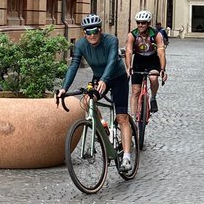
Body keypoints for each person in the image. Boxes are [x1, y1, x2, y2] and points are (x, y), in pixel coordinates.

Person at [56, 14, 133, 171]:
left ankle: (126, 158)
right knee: (86, 102)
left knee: (122, 117)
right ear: (84, 33)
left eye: (95, 31)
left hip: (117, 77)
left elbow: (112, 60)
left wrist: (105, 79)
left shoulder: (111, 40)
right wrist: (64, 87)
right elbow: (74, 65)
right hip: (100, 77)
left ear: (100, 30)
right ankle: (105, 130)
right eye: (88, 32)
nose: (92, 35)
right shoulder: (80, 45)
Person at [126, 10, 167, 115]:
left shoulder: (156, 34)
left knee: (153, 78)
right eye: (138, 22)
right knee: (135, 90)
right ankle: (134, 119)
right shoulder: (132, 35)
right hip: (138, 61)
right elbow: (129, 51)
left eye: (143, 23)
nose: (140, 25)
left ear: (148, 24)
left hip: (152, 60)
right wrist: (128, 67)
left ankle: (153, 98)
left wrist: (163, 69)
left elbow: (161, 52)